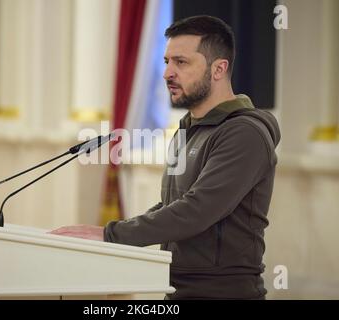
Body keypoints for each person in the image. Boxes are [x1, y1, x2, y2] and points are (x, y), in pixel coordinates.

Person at [50, 15, 280, 300]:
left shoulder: (244, 134)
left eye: (181, 62)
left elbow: (197, 210)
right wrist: (112, 241)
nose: (167, 73)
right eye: (167, 61)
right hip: (176, 290)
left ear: (219, 69)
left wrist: (111, 234)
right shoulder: (186, 129)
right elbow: (171, 205)